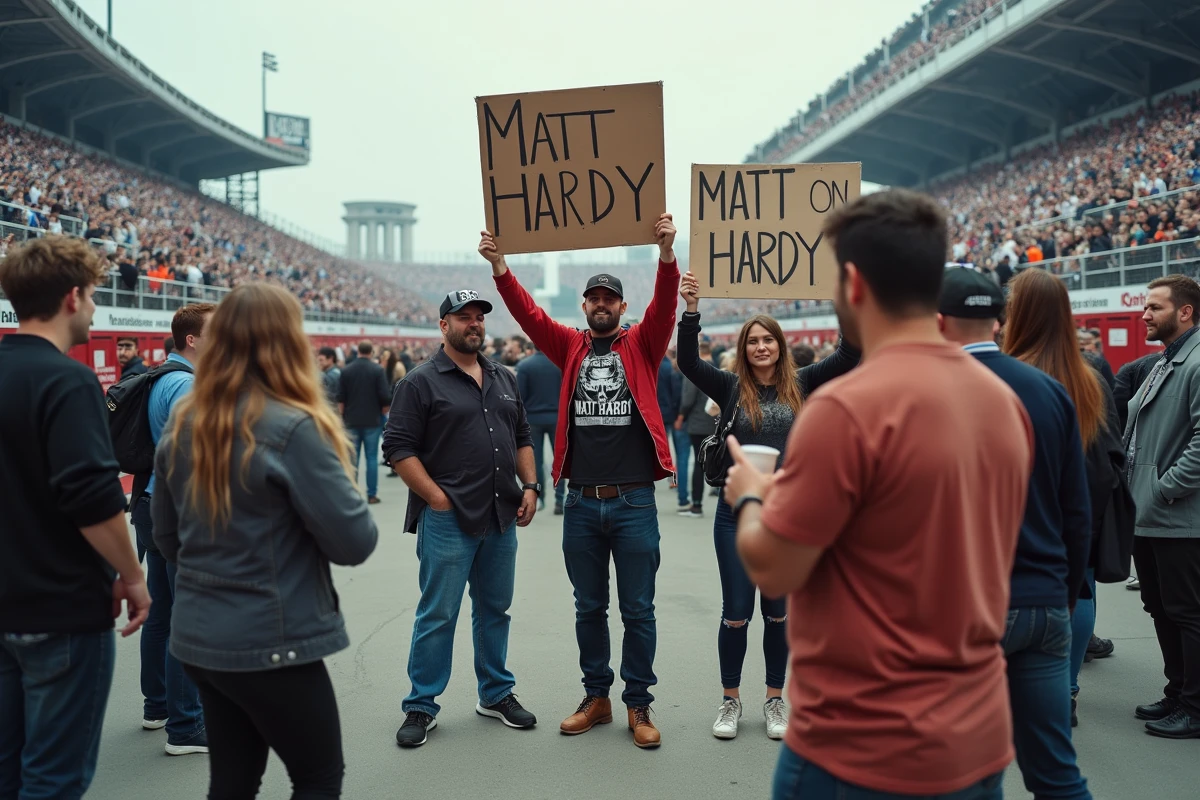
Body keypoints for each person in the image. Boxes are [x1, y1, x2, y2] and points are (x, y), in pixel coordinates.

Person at [723, 189, 1033, 800]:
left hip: (862, 742)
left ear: (854, 284)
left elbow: (774, 565)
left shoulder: (847, 407)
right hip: (977, 729)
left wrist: (752, 497)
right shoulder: (1002, 401)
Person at [152, 282, 378, 797]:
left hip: (201, 637)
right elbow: (354, 542)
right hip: (272, 640)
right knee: (317, 778)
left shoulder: (187, 419)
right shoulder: (292, 425)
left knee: (232, 780)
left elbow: (167, 537)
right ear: (288, 341)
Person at [478, 213, 679, 749]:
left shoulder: (643, 346)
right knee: (588, 608)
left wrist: (665, 256)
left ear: (621, 307)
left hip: (635, 501)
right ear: (584, 307)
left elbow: (664, 309)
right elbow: (528, 313)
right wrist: (500, 268)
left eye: (609, 298)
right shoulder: (568, 348)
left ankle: (639, 702)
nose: (600, 305)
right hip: (582, 503)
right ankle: (597, 697)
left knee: (638, 609)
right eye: (593, 299)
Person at [676, 275, 859, 740]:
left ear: (780, 346)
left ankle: (775, 700)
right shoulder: (731, 387)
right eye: (753, 341)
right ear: (744, 348)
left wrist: (841, 300)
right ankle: (730, 701)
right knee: (736, 611)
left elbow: (851, 354)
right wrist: (691, 308)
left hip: (788, 518)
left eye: (768, 340)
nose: (761, 347)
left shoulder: (804, 382)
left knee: (778, 612)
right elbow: (688, 362)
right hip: (734, 515)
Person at [0, 235, 150, 798]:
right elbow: (92, 498)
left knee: (7, 770)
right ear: (71, 297)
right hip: (59, 605)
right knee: (54, 778)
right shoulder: (67, 379)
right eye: (92, 295)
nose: (93, 307)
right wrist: (132, 577)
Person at [938, 266, 1093, 797]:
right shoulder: (1050, 391)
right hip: (1044, 602)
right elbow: (1077, 512)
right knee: (1056, 771)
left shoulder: (929, 392)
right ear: (999, 322)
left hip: (966, 609)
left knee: (972, 774)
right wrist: (1064, 596)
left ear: (937, 322)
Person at [384, 289, 539, 748]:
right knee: (438, 613)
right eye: (463, 317)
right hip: (448, 518)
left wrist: (529, 486)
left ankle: (495, 694)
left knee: (495, 610)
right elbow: (397, 449)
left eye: (479, 317)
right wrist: (436, 498)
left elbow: (523, 436)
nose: (473, 323)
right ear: (443, 326)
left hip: (500, 515)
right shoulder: (419, 381)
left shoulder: (504, 377)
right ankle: (421, 704)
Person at [1006, 270, 1125, 726]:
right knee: (1081, 590)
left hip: (1024, 507)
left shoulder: (1008, 368)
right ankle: (1067, 691)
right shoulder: (1091, 368)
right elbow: (1110, 447)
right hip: (1084, 506)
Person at [132, 303, 215, 755]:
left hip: (151, 503)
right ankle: (185, 727)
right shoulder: (187, 385)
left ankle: (158, 706)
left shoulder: (163, 377)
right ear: (193, 340)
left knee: (163, 612)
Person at [1122, 274, 1200, 739]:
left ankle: (1194, 707)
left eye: (1154, 307)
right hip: (1151, 514)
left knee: (1187, 612)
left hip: (1178, 516)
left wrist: (1164, 489)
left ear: (1185, 311)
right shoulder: (1166, 361)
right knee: (1161, 608)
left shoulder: (1194, 362)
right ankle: (1178, 693)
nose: (1145, 314)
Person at [338, 341, 391, 504]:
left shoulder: (346, 371)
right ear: (371, 352)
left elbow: (340, 399)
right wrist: (383, 411)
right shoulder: (377, 370)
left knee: (352, 460)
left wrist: (342, 418)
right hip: (372, 420)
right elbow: (385, 397)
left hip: (351, 420)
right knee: (371, 458)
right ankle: (372, 494)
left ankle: (352, 495)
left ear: (358, 351)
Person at [516, 341, 566, 514]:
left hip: (533, 419)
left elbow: (519, 397)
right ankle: (560, 499)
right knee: (559, 460)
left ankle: (539, 497)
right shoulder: (561, 364)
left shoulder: (525, 366)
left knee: (535, 461)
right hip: (558, 417)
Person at [676, 344, 715, 518]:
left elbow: (688, 399)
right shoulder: (716, 367)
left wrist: (681, 416)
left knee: (698, 464)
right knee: (714, 461)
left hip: (697, 422)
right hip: (713, 421)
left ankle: (696, 504)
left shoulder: (693, 372)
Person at [658, 352, 690, 511]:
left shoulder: (651, 366)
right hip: (674, 414)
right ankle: (679, 489)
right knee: (681, 455)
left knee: (661, 452)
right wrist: (679, 415)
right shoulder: (669, 368)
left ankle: (669, 477)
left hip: (656, 415)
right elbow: (677, 393)